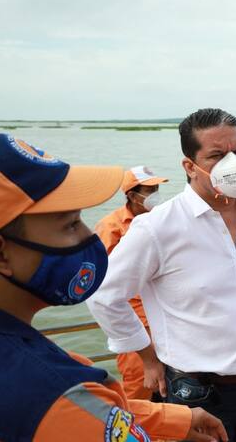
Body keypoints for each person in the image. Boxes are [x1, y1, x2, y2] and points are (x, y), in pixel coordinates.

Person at [0, 134, 226, 441]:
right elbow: (77, 415)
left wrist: (170, 419)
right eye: (70, 224)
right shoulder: (56, 391)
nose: (87, 235)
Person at [87, 109, 236, 442]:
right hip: (198, 392)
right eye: (216, 155)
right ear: (189, 166)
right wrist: (148, 357)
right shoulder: (158, 227)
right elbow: (104, 295)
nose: (232, 163)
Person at [94, 165, 168, 401]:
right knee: (138, 391)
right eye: (149, 189)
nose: (155, 193)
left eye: (156, 187)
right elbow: (102, 285)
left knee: (171, 386)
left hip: (166, 316)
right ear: (132, 195)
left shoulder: (163, 218)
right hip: (135, 322)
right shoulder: (111, 227)